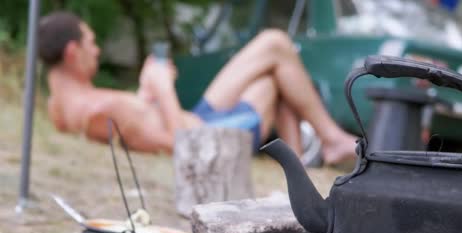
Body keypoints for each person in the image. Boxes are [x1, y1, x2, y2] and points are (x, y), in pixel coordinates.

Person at [38, 12, 357, 164]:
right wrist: (163, 88)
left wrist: (145, 95)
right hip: (209, 137)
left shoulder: (60, 108)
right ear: (71, 52)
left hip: (196, 119)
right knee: (274, 66)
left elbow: (137, 126)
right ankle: (324, 144)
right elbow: (181, 147)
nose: (96, 51)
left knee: (273, 47)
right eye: (91, 43)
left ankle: (312, 153)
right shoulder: (99, 111)